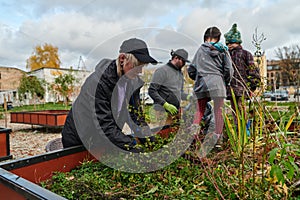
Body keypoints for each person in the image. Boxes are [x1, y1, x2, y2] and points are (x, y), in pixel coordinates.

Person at [61, 38, 158, 153]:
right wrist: (132, 146)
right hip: (79, 137)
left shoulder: (132, 83)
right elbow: (105, 125)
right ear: (122, 59)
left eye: (142, 67)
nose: (140, 71)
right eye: (137, 66)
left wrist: (150, 141)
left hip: (102, 138)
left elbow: (136, 116)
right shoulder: (98, 83)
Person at [190, 26, 233, 146]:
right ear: (218, 38)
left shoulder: (200, 50)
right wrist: (224, 82)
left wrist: (197, 77)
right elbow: (229, 69)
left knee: (199, 110)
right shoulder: (223, 50)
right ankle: (218, 140)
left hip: (202, 83)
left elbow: (191, 69)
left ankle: (193, 138)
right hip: (217, 83)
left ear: (205, 37)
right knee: (218, 111)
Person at [224, 23, 261, 124]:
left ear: (237, 42)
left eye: (231, 43)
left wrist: (252, 87)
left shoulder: (245, 54)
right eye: (227, 43)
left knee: (241, 110)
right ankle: (238, 132)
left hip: (242, 89)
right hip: (231, 89)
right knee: (235, 112)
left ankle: (245, 131)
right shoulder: (226, 55)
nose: (229, 45)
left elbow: (252, 71)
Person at [148, 49, 192, 126]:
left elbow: (179, 92)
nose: (184, 64)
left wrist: (188, 97)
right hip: (161, 112)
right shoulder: (162, 71)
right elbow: (152, 91)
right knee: (162, 134)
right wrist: (165, 104)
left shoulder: (180, 74)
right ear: (176, 58)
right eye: (183, 61)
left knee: (175, 133)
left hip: (175, 111)